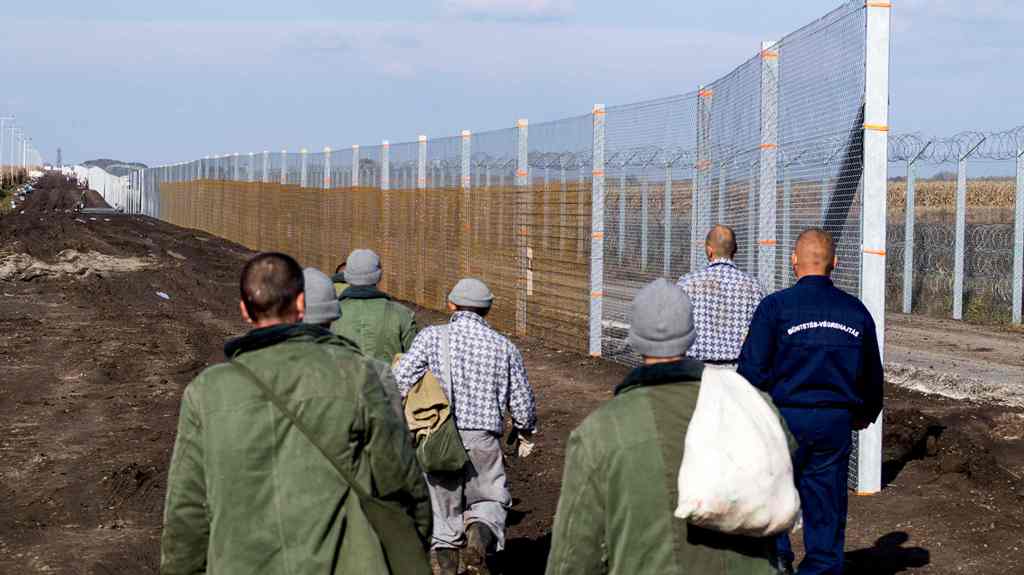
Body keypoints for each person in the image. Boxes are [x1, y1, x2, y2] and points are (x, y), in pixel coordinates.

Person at [160, 252, 432, 574]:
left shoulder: (206, 391)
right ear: (302, 305)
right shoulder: (361, 376)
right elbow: (401, 484)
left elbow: (186, 513)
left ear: (245, 311)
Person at [545, 278, 786, 575]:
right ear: (691, 336)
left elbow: (573, 558)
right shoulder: (749, 404)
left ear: (633, 340)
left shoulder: (599, 432)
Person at [738, 228, 884, 575]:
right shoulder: (855, 312)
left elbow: (752, 369)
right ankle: (821, 566)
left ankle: (777, 561)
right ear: (835, 262)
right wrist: (864, 413)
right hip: (833, 422)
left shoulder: (775, 308)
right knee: (826, 503)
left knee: (773, 497)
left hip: (782, 418)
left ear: (793, 261)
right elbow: (872, 374)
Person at [393, 278, 538, 575]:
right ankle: (477, 543)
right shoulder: (504, 347)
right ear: (487, 309)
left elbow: (400, 379)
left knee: (442, 513)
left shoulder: (431, 337)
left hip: (438, 437)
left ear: (451, 304)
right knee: (489, 499)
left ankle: (447, 570)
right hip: (483, 439)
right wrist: (524, 430)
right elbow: (522, 401)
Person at [676, 224, 763, 366]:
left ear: (709, 250)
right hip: (739, 371)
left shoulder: (687, 283)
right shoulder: (755, 287)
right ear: (735, 249)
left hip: (696, 370)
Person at [331, 249, 418, 363]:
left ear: (346, 276)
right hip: (387, 380)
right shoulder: (402, 314)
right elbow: (415, 361)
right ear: (379, 276)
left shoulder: (331, 315)